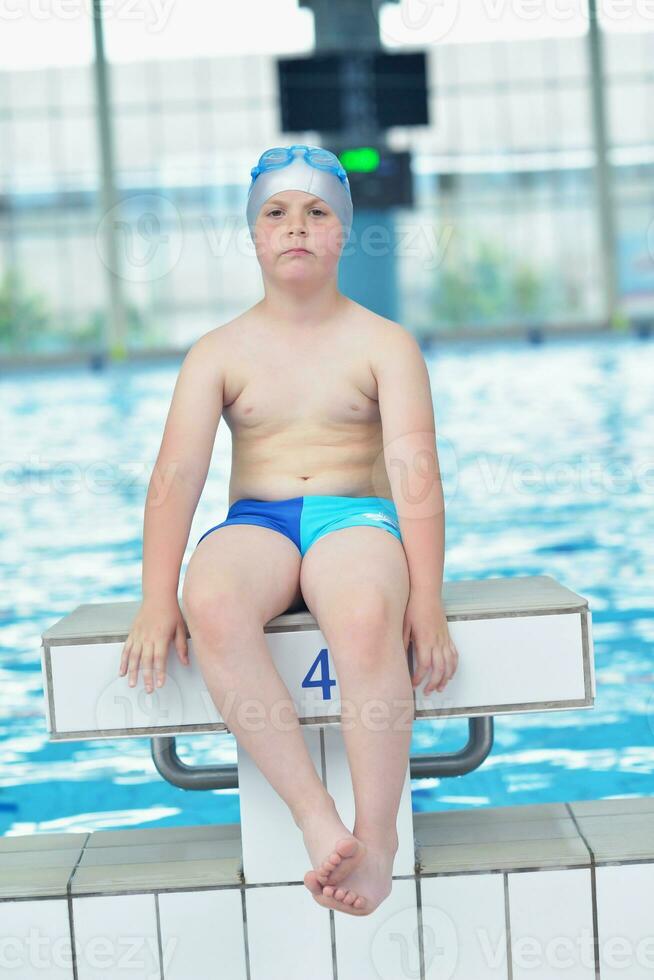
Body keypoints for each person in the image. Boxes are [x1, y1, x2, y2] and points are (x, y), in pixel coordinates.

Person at [118, 144, 459, 917]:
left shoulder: (384, 343)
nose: (296, 227)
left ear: (344, 233)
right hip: (259, 520)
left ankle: (376, 840)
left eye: (316, 213)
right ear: (254, 235)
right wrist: (154, 597)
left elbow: (416, 478)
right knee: (212, 604)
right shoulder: (219, 351)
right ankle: (316, 819)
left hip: (356, 514)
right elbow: (176, 479)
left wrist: (428, 600)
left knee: (367, 612)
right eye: (276, 213)